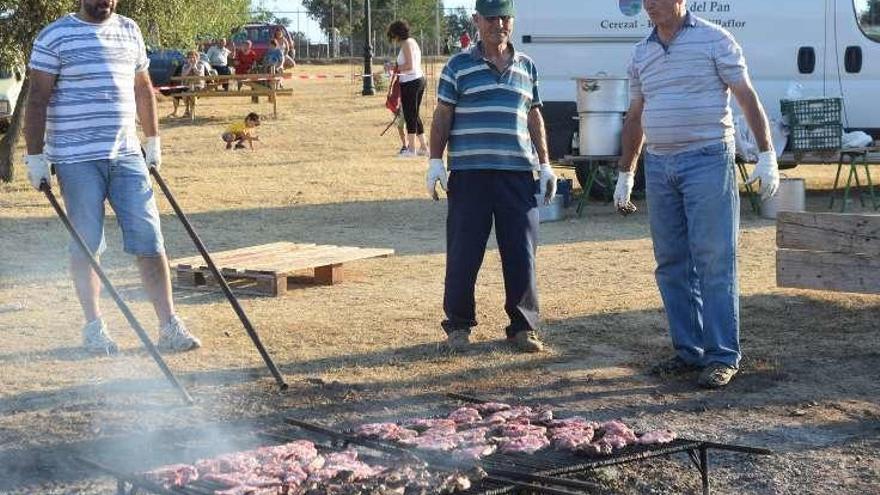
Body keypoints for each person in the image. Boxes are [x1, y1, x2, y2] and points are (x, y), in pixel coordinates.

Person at [614, 0, 780, 388]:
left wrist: (767, 153)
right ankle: (689, 352)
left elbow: (746, 96)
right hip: (659, 165)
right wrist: (626, 172)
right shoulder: (641, 53)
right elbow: (635, 115)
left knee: (714, 259)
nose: (650, 5)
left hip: (708, 159)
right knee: (671, 262)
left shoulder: (714, 39)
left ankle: (723, 354)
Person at [24, 0, 201, 355]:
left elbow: (142, 87)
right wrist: (35, 156)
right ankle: (94, 329)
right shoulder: (54, 36)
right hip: (76, 159)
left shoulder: (130, 30)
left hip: (127, 155)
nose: (105, 0)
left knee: (150, 240)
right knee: (86, 245)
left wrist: (152, 141)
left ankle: (169, 326)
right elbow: (38, 98)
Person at [426, 0, 558, 353]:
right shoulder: (458, 66)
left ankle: (523, 328)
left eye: (504, 17)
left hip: (518, 175)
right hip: (470, 176)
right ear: (476, 20)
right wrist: (435, 161)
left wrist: (545, 164)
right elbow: (442, 116)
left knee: (521, 253)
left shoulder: (527, 67)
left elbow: (534, 117)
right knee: (463, 253)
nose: (497, 24)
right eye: (490, 18)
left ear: (512, 22)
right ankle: (458, 327)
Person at [387, 20, 428, 157]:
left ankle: (411, 149)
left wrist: (394, 68)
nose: (393, 39)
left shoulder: (406, 44)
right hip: (418, 80)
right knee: (414, 115)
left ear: (397, 33)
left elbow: (410, 66)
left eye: (393, 35)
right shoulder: (412, 42)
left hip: (411, 82)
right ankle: (423, 147)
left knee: (410, 115)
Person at [172, 50, 210, 118]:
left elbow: (199, 75)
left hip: (198, 86)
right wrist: (190, 67)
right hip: (187, 85)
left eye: (194, 57)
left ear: (198, 58)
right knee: (183, 92)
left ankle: (190, 110)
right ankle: (185, 110)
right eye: (190, 57)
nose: (192, 59)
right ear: (187, 59)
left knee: (191, 91)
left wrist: (194, 66)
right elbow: (183, 75)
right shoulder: (185, 66)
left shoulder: (201, 65)